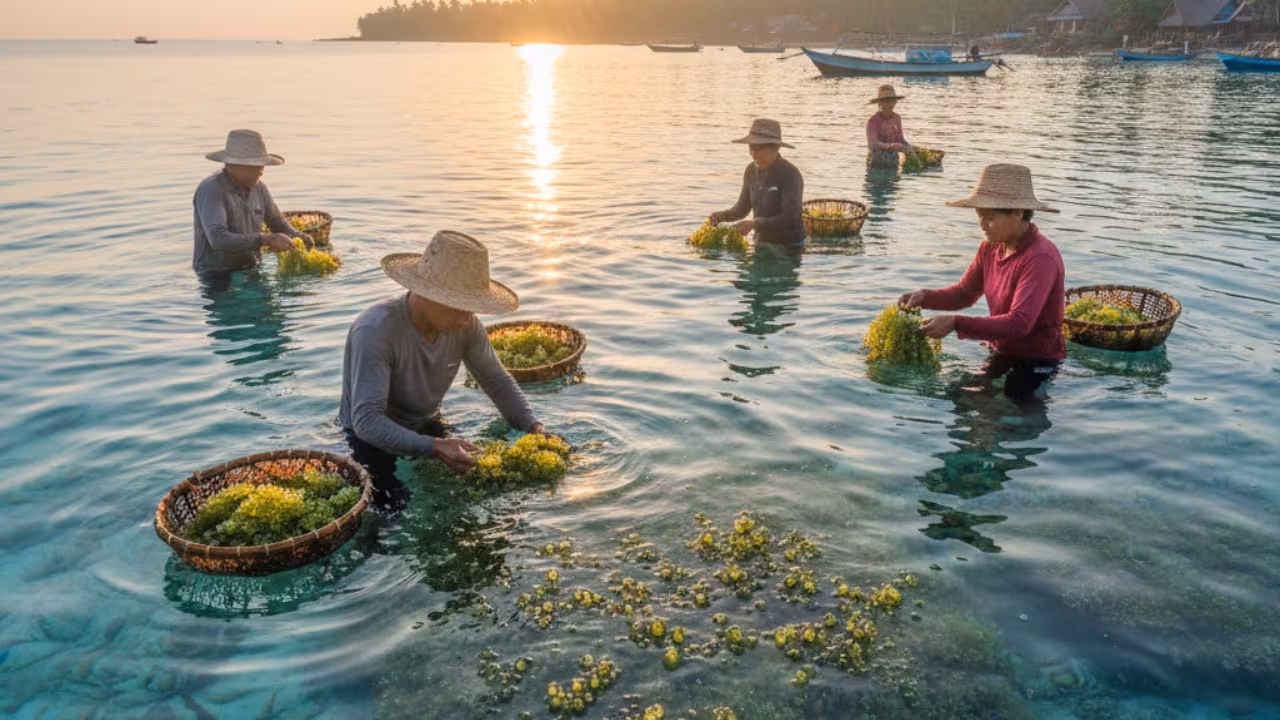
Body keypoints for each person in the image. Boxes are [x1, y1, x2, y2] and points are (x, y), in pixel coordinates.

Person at [339, 230, 547, 512]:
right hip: (371, 439)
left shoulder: (467, 325)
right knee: (391, 514)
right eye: (461, 306)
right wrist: (434, 447)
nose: (468, 319)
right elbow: (366, 421)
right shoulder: (375, 330)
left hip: (427, 425)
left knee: (462, 495)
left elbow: (496, 381)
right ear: (427, 295)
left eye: (473, 308)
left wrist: (533, 426)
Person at [898, 164, 1066, 401]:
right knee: (961, 398)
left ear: (1018, 212)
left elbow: (1020, 323)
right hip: (1002, 350)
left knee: (1011, 420)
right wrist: (925, 297)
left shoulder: (1040, 258)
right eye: (979, 217)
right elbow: (965, 293)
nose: (981, 225)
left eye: (990, 218)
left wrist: (956, 323)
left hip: (1038, 359)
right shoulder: (990, 248)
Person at [192, 129, 312, 283]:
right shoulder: (211, 190)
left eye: (262, 165)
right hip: (216, 274)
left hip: (252, 267)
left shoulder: (259, 188)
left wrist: (297, 236)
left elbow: (276, 221)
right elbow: (218, 239)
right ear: (231, 165)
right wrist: (266, 239)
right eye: (254, 165)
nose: (261, 171)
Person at [709, 118, 806, 256]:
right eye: (751, 148)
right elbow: (742, 209)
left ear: (775, 148)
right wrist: (722, 216)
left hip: (789, 247)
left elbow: (790, 217)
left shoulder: (790, 175)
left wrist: (753, 224)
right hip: (761, 243)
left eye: (760, 148)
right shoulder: (750, 171)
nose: (754, 154)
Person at [865, 85, 912, 169]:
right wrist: (892, 146)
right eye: (886, 101)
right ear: (880, 103)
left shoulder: (897, 118)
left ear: (895, 102)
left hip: (893, 162)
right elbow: (872, 144)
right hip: (877, 163)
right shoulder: (873, 121)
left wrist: (909, 148)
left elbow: (900, 139)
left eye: (892, 101)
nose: (890, 104)